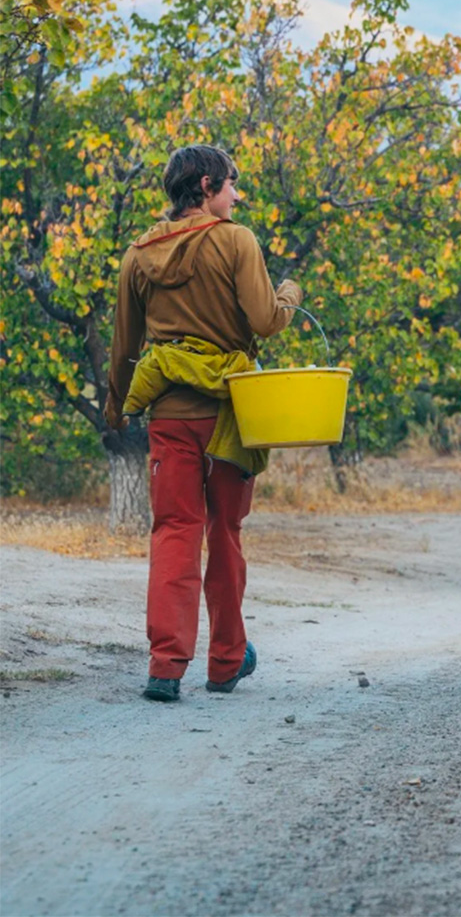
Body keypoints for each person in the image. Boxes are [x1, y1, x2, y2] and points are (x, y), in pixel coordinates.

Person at [104, 144, 303, 702]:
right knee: (225, 533)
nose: (237, 197)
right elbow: (266, 322)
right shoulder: (236, 239)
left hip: (169, 418)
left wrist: (116, 406)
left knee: (173, 532)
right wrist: (288, 293)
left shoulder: (138, 254)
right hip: (229, 418)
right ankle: (225, 663)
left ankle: (165, 668)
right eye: (233, 186)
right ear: (208, 185)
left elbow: (124, 344)